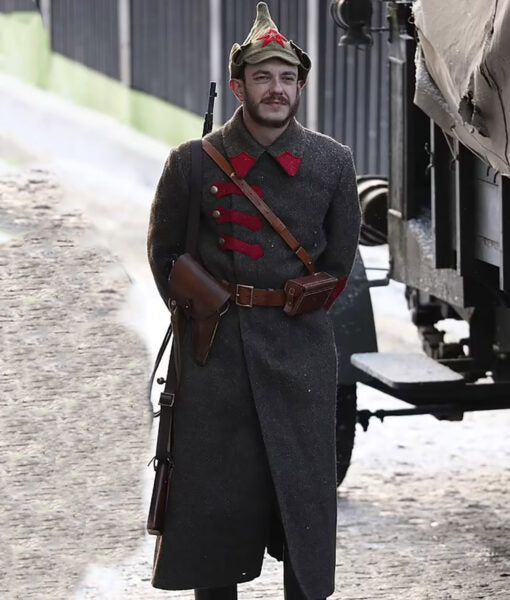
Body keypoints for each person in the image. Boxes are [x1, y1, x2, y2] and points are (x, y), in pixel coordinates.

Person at [147, 3, 361, 599]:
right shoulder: (192, 162)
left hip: (300, 353)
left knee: (303, 499)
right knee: (215, 499)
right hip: (216, 355)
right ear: (239, 86)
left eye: (287, 77)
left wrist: (301, 299)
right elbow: (165, 254)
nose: (276, 89)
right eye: (263, 77)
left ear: (300, 86)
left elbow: (340, 263)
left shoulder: (332, 162)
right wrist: (205, 304)